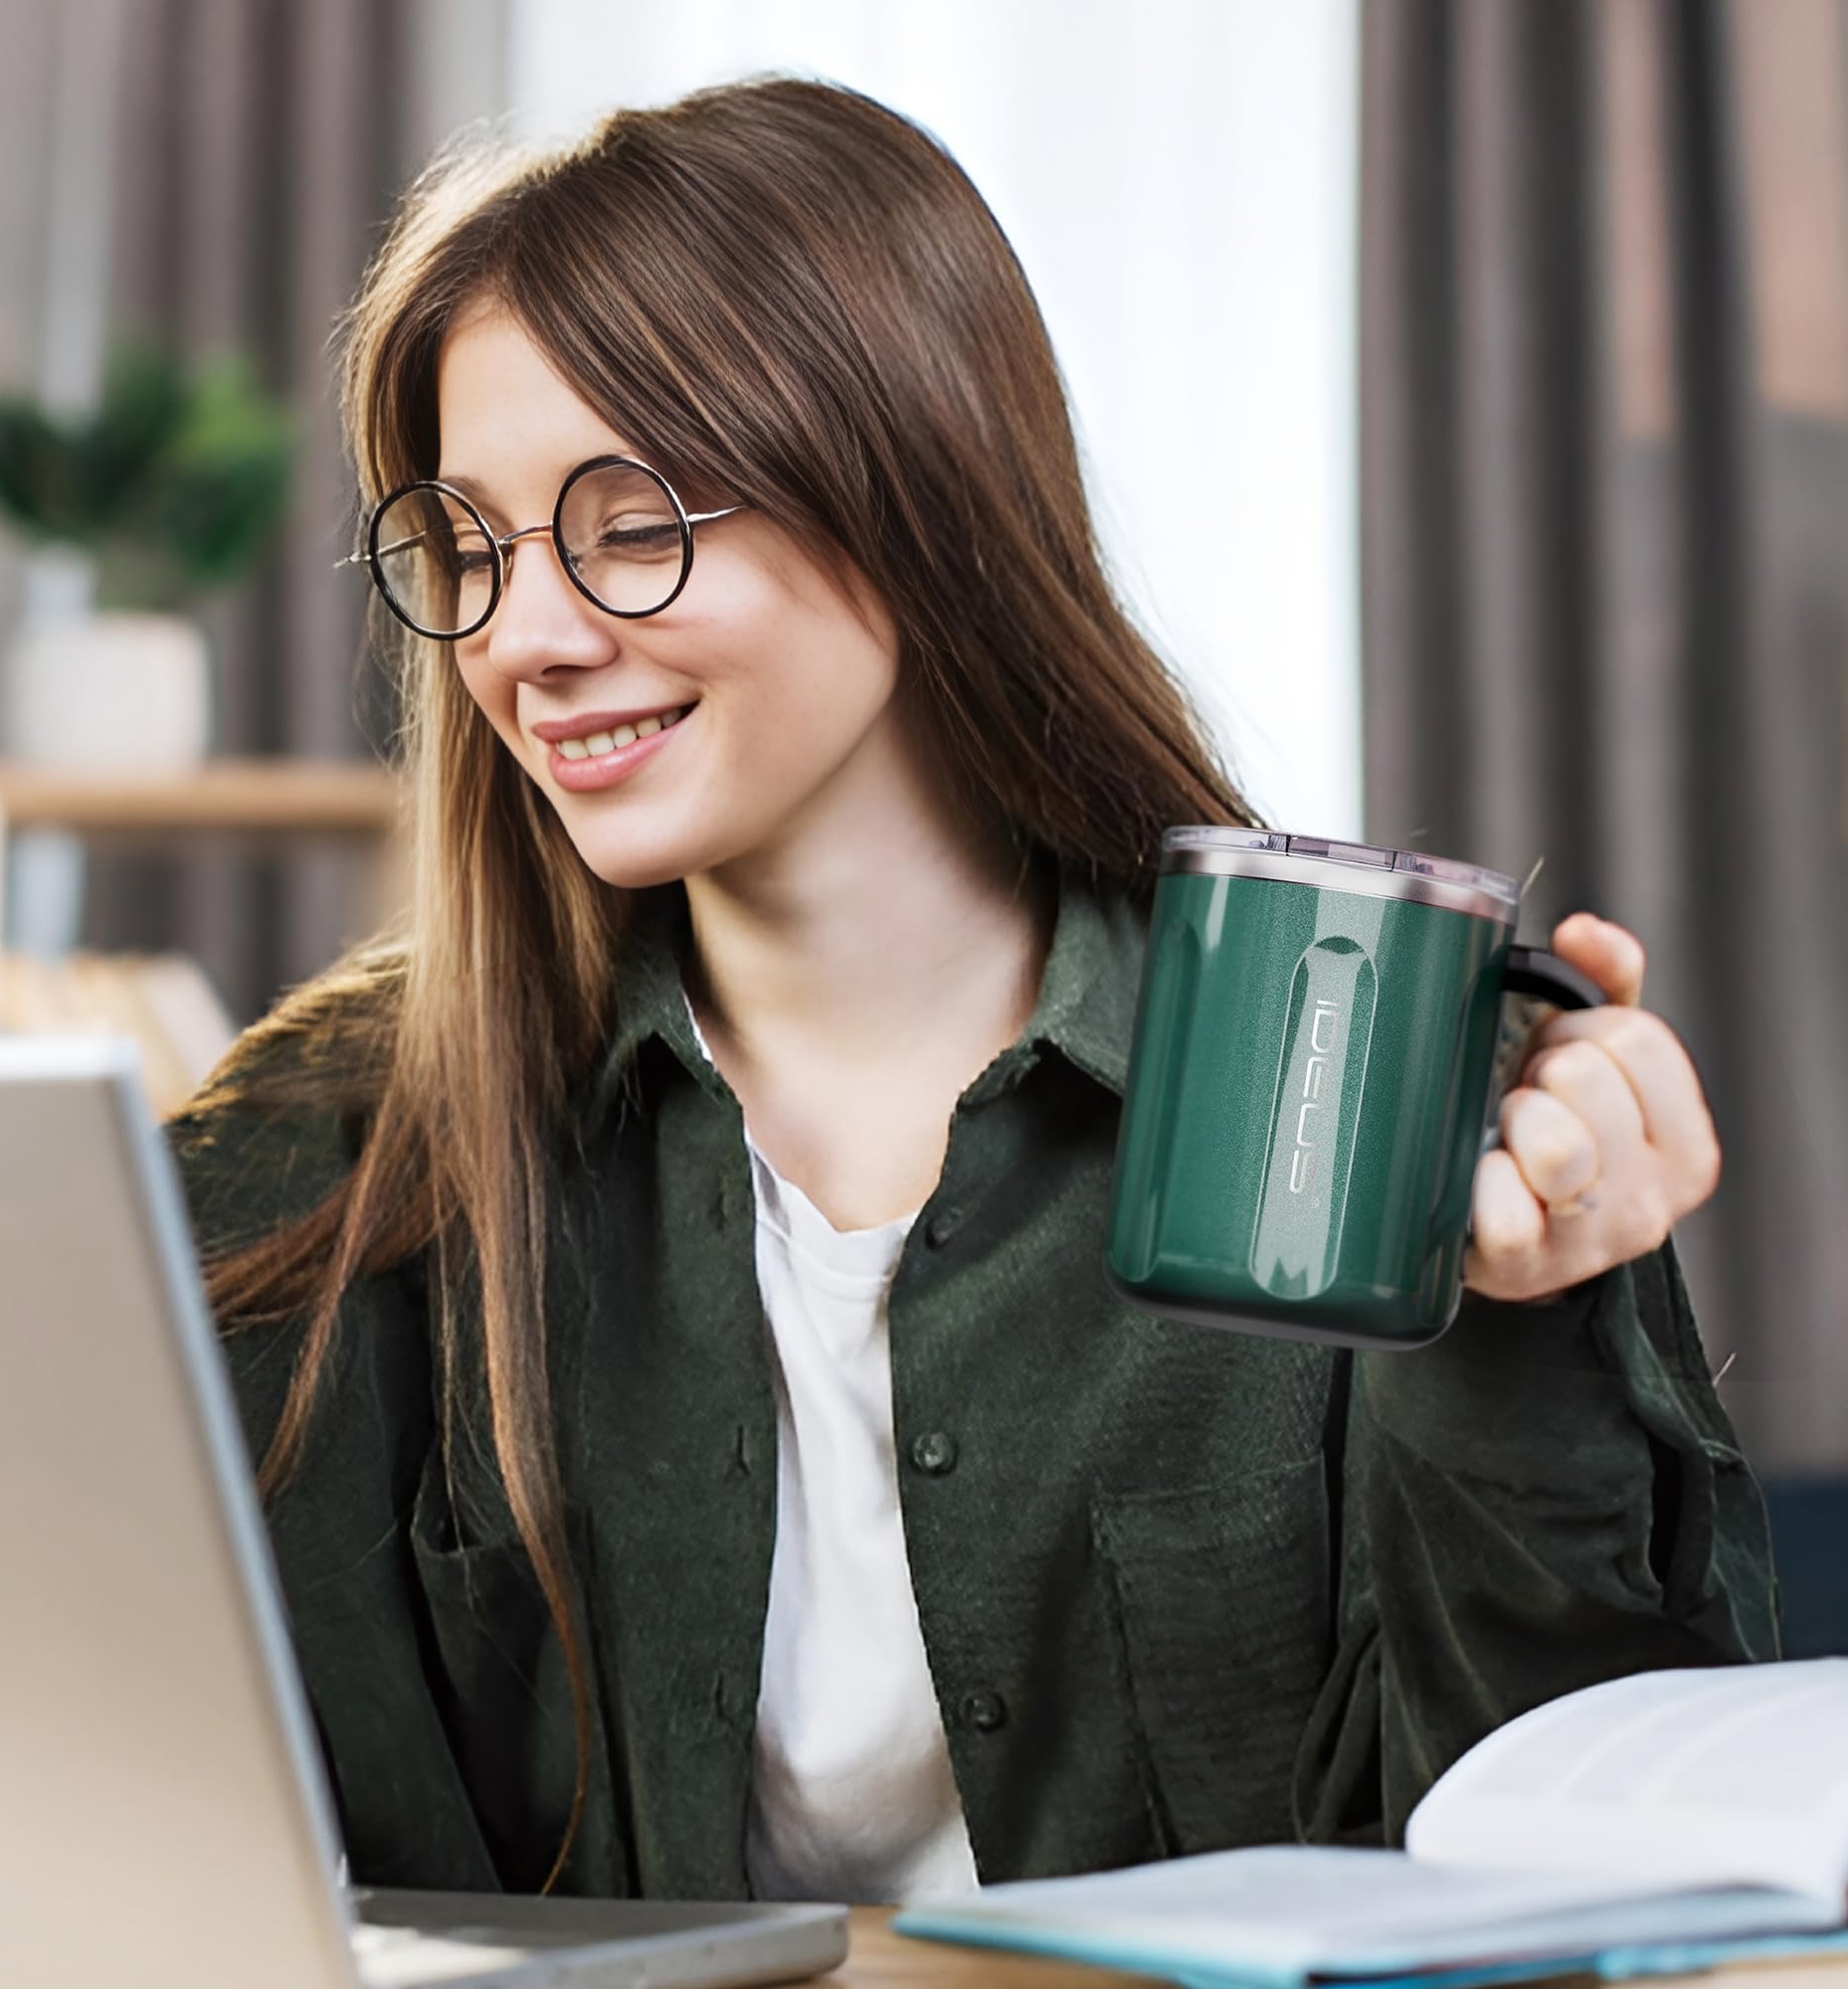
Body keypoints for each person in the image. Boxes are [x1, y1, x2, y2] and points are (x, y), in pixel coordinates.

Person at [167, 76, 1774, 1909]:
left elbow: (1590, 1864)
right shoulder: (329, 1141)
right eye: (471, 548)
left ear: (912, 493)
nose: (529, 640)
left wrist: (1528, 1338)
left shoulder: (1363, 1070)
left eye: (630, 522)